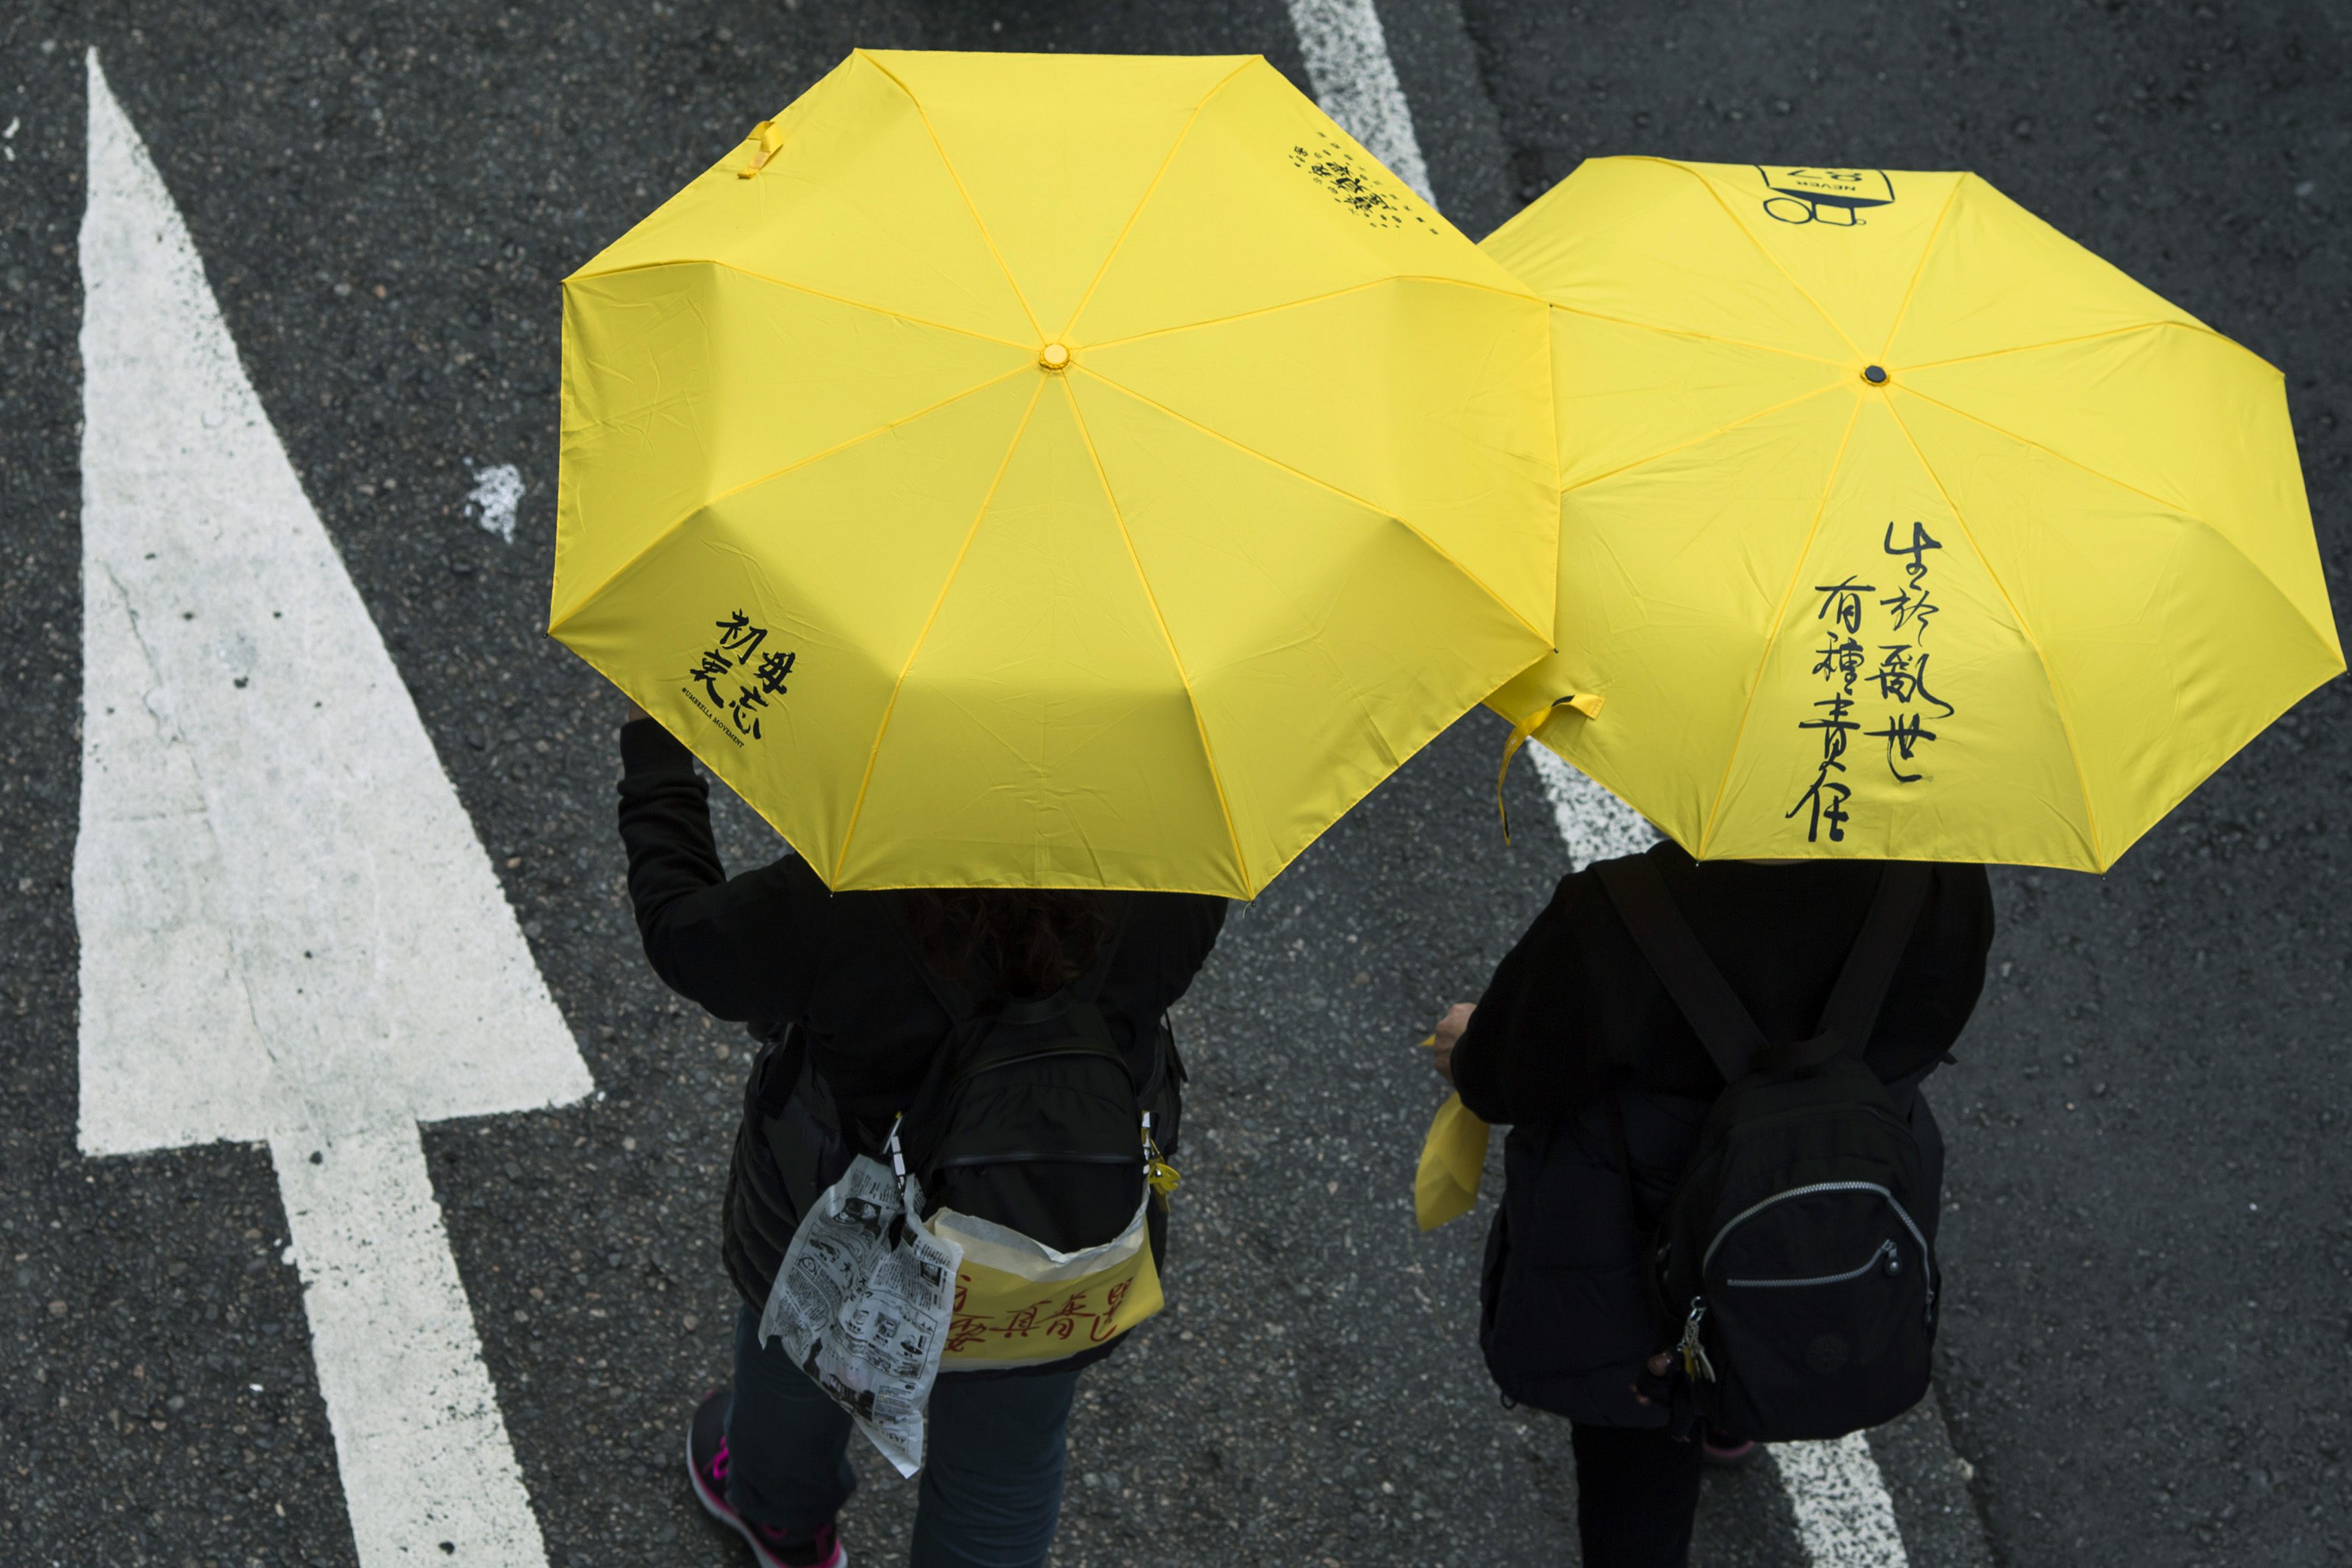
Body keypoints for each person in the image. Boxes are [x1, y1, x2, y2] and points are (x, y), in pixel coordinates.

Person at [615, 705, 1226, 1568]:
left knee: (799, 1350)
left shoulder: (843, 902)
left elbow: (687, 939)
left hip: (840, 1198)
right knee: (1005, 1459)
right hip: (1054, 1228)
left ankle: (778, 1519)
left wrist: (659, 756)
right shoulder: (1176, 868)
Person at [1428, 840, 1992, 1568]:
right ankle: (1735, 1410)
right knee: (1770, 1316)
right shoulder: (1939, 878)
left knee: (1638, 1472)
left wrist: (1467, 1044)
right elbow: (1932, 1021)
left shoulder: (1611, 915)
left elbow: (1505, 1081)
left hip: (1637, 1251)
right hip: (1829, 1205)